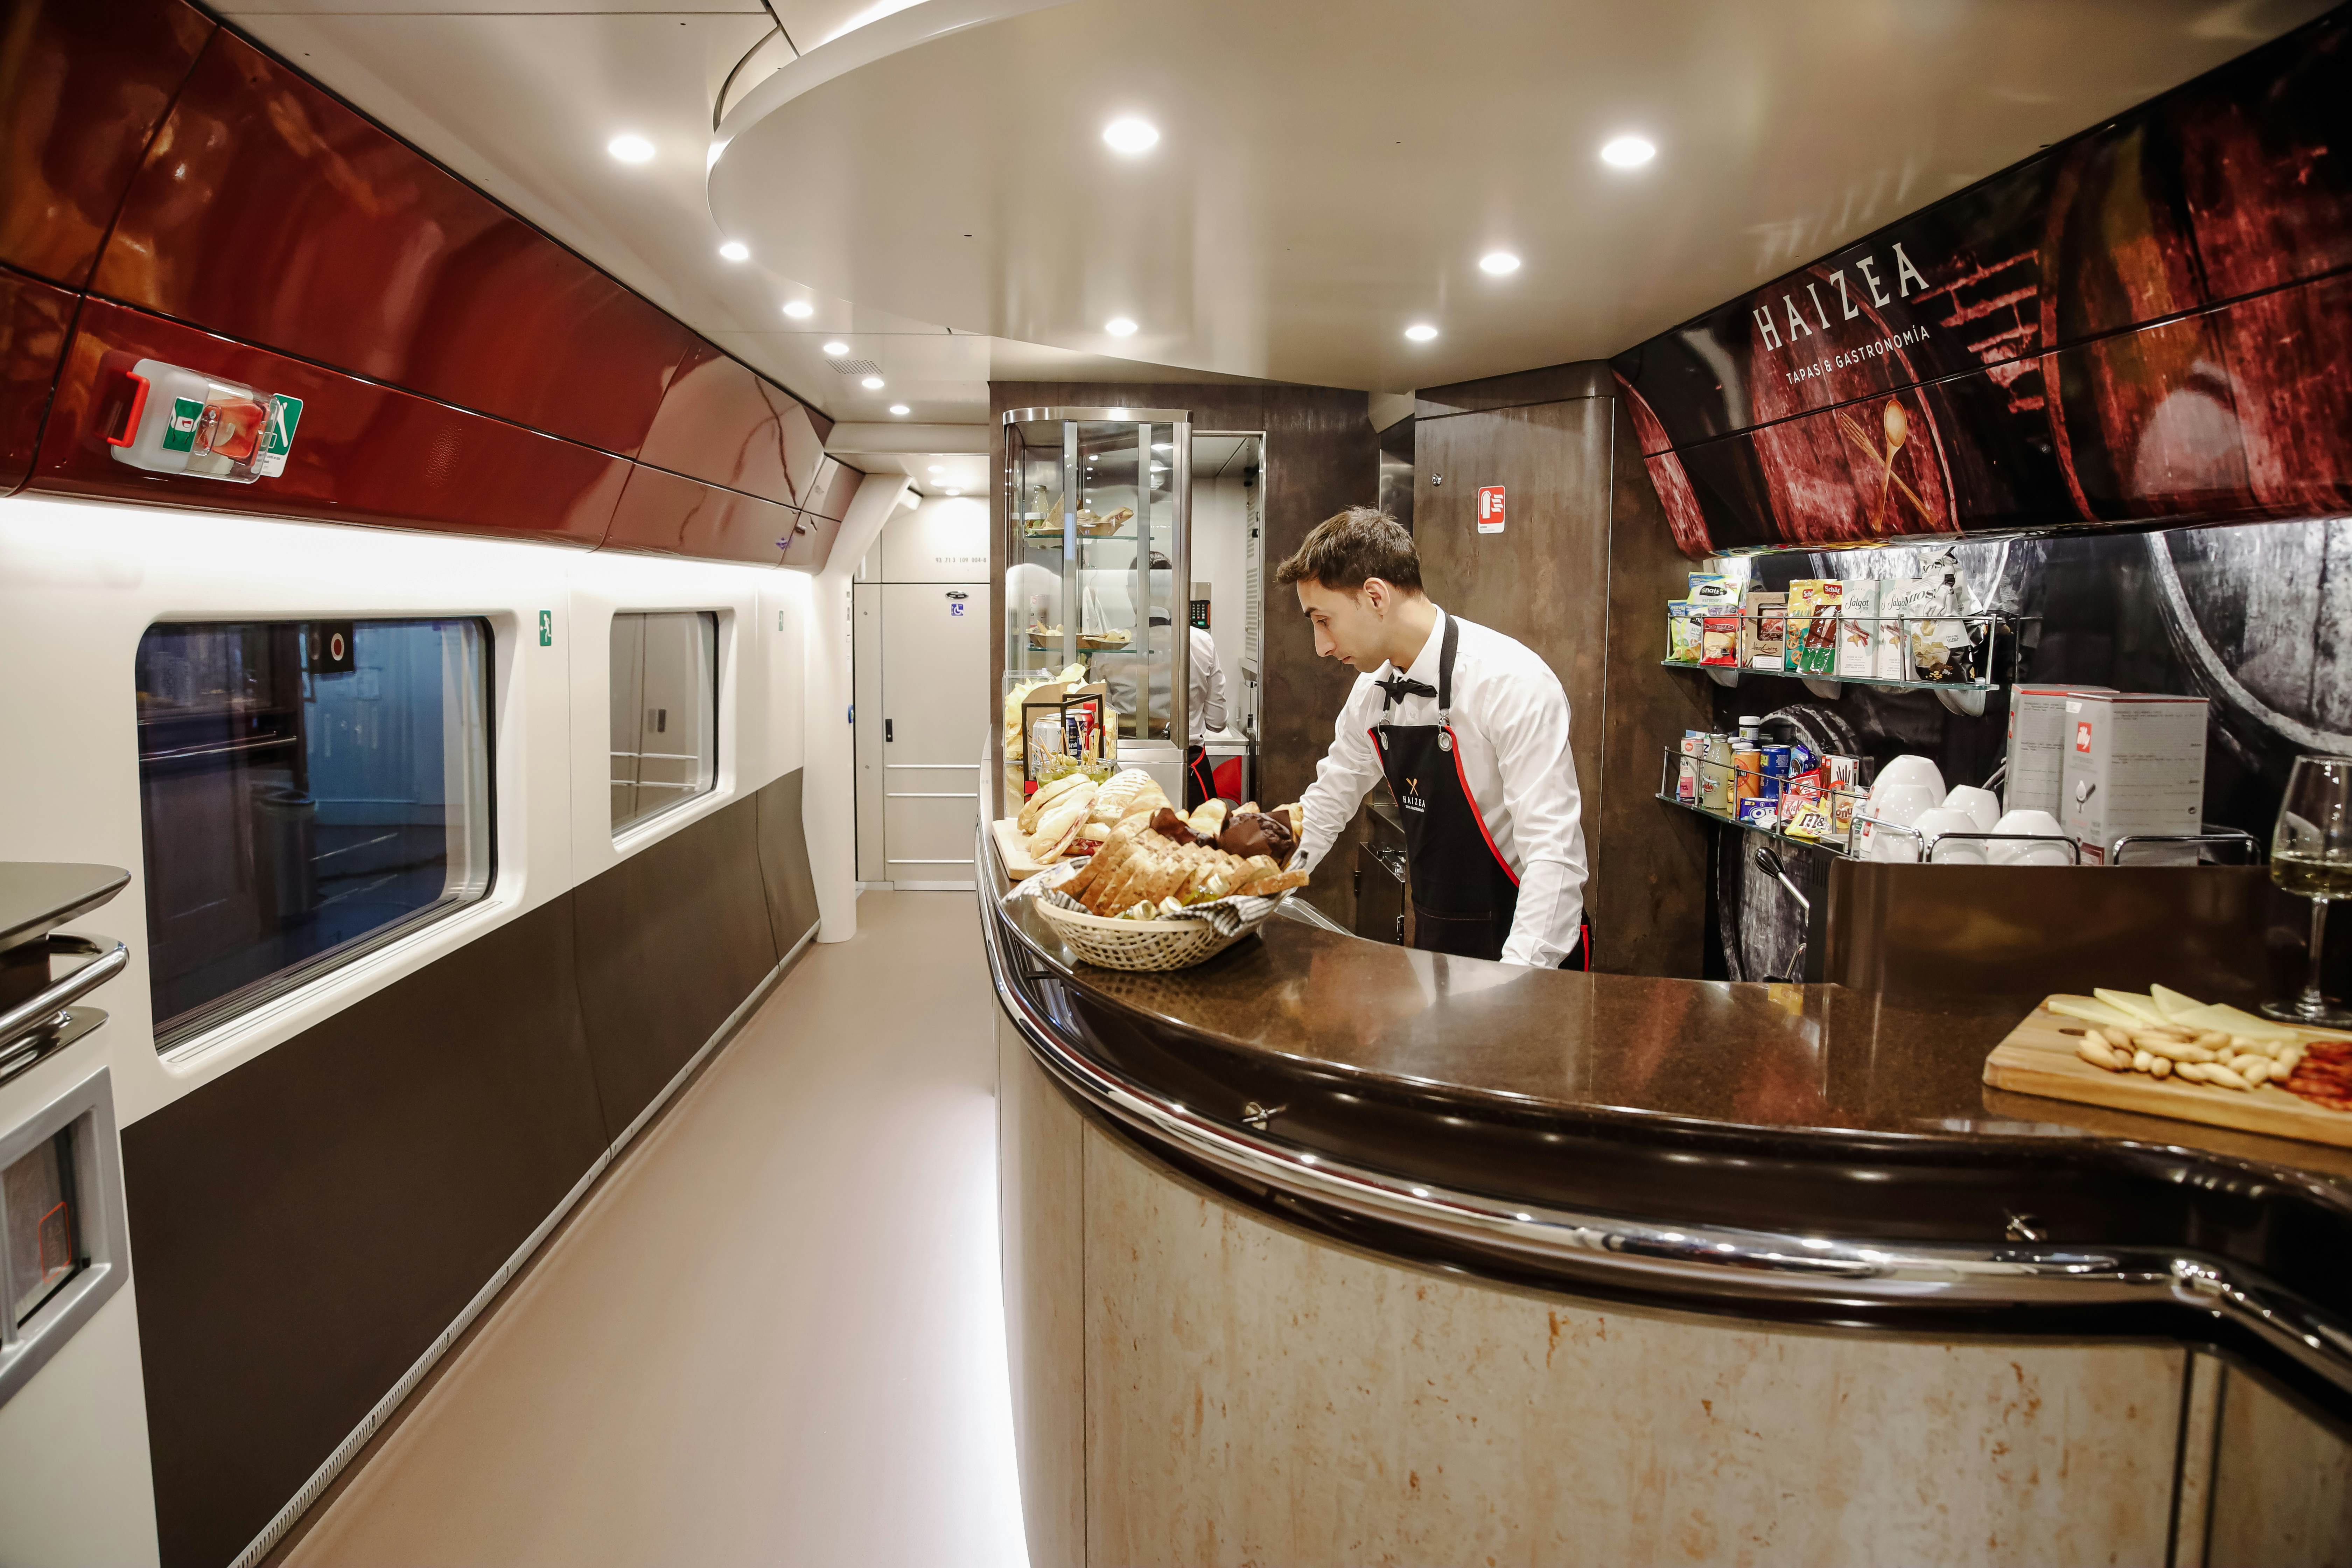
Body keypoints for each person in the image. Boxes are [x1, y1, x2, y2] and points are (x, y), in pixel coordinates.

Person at [1278, 507, 1590, 968]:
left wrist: (1519, 985)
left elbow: (1554, 856)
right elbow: (1326, 808)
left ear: (1376, 596)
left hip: (1531, 950)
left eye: (1324, 620)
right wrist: (1264, 890)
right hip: (1439, 942)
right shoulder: (1372, 694)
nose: (1321, 646)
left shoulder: (1510, 682)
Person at [1093, 555, 1229, 808]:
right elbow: (1218, 722)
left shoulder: (1107, 648)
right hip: (1187, 771)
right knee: (1195, 844)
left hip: (1125, 772)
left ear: (1131, 592)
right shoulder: (1202, 642)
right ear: (1174, 592)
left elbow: (1101, 720)